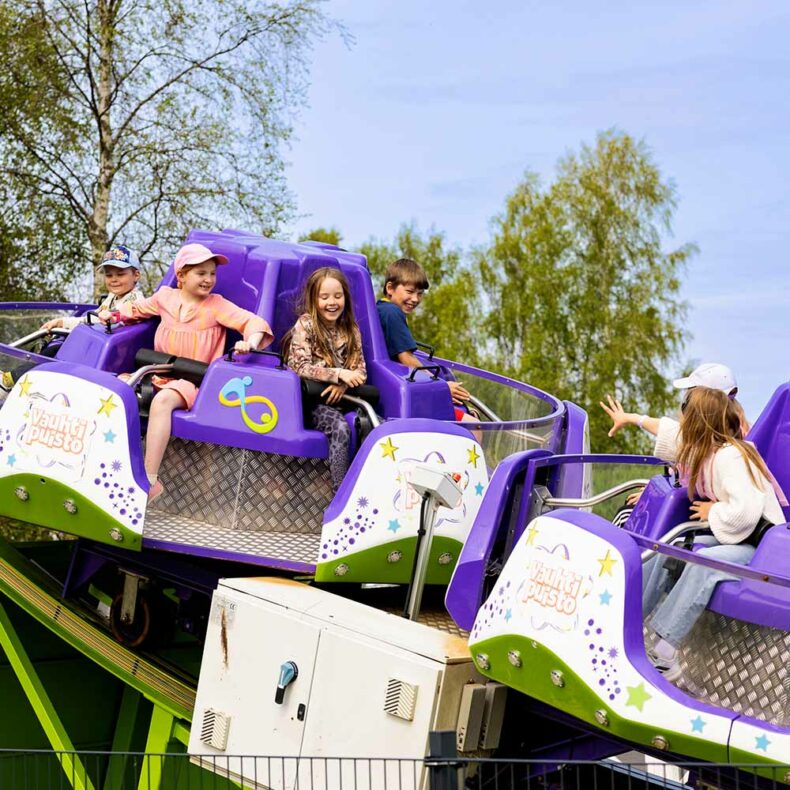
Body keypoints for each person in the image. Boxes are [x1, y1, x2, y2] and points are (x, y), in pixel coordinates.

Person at [99, 243, 273, 501]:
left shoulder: (216, 305)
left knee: (163, 400)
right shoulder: (165, 297)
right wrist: (113, 316)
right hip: (157, 372)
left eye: (212, 273)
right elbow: (136, 308)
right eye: (201, 273)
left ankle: (149, 480)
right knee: (117, 388)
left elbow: (253, 322)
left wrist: (251, 342)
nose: (208, 279)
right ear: (181, 276)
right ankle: (110, 464)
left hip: (192, 381)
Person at [641, 387, 784, 680]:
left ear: (698, 419)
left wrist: (712, 512)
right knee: (672, 547)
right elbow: (674, 443)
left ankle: (664, 652)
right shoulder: (711, 454)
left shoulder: (730, 456)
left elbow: (745, 513)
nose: (680, 415)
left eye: (685, 409)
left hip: (764, 547)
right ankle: (629, 619)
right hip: (741, 537)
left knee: (704, 564)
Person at [282, 267, 366, 493]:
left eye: (338, 296)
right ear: (314, 298)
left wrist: (344, 383)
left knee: (372, 425)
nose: (332, 302)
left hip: (343, 399)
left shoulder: (351, 330)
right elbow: (299, 366)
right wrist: (337, 374)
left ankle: (366, 491)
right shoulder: (306, 324)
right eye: (325, 297)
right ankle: (341, 493)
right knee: (339, 427)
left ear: (345, 298)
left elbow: (360, 371)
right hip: (311, 401)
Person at [376, 257, 474, 420]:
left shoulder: (382, 309)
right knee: (474, 426)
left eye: (420, 294)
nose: (415, 299)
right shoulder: (392, 313)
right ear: (390, 288)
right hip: (410, 397)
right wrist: (440, 387)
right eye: (409, 291)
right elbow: (406, 358)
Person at [42, 245, 144, 332]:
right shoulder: (112, 297)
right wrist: (62, 322)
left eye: (120, 274)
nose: (114, 280)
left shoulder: (136, 301)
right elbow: (93, 319)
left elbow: (107, 319)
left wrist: (64, 323)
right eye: (109, 275)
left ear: (136, 275)